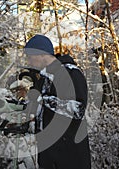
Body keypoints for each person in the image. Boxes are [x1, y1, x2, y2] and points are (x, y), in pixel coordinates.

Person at [22, 34, 91, 169]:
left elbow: (78, 109)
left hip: (69, 156)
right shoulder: (44, 77)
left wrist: (44, 100)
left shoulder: (71, 73)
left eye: (30, 57)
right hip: (49, 155)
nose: (29, 61)